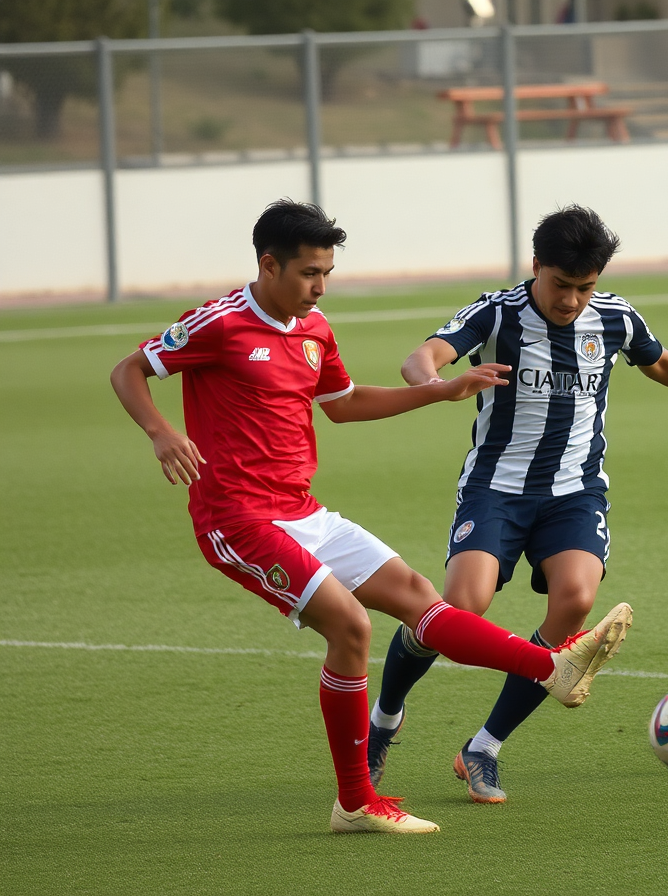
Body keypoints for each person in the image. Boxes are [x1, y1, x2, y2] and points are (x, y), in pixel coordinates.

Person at [109, 199, 633, 834]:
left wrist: (438, 390)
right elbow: (130, 369)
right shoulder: (220, 323)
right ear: (268, 266)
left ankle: (550, 667)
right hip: (237, 518)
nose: (320, 287)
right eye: (308, 273)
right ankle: (356, 801)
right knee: (351, 626)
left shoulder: (314, 329)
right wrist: (161, 433)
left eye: (327, 272)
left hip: (302, 512)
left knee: (421, 598)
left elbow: (345, 402)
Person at [369, 205, 668, 803]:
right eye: (561, 285)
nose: (572, 300)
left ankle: (484, 747)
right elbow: (422, 357)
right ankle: (385, 720)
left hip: (575, 492)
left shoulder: (614, 318)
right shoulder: (497, 311)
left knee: (575, 599)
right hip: (496, 488)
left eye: (585, 287)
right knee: (458, 610)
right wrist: (436, 383)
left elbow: (657, 361)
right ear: (535, 266)